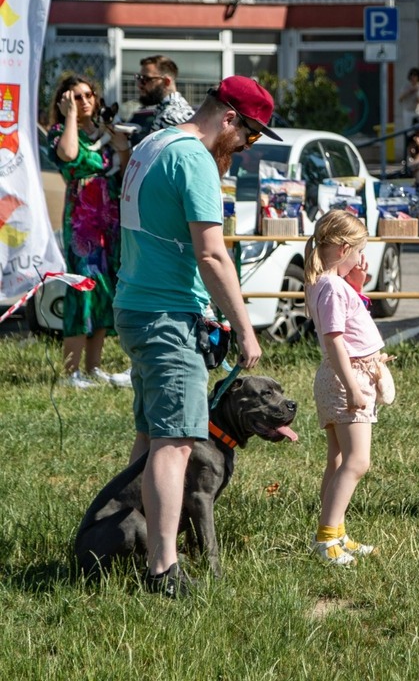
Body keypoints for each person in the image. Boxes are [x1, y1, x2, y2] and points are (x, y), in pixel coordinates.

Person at [114, 76, 275, 597]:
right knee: (177, 442)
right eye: (249, 135)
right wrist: (246, 329)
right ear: (229, 118)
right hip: (166, 313)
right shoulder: (196, 160)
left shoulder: (153, 143)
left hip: (137, 304)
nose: (247, 148)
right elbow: (210, 253)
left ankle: (126, 541)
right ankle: (163, 569)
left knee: (151, 435)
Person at [304, 209, 394, 567]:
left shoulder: (329, 284)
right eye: (359, 252)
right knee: (357, 461)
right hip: (347, 380)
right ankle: (326, 538)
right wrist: (353, 388)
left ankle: (336, 532)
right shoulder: (329, 286)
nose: (362, 260)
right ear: (343, 249)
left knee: (339, 459)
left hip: (348, 377)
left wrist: (354, 283)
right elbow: (335, 340)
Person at [49, 74, 132, 389]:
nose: (84, 102)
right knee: (82, 289)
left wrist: (122, 149)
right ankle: (71, 372)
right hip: (82, 223)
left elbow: (123, 173)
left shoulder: (104, 132)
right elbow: (69, 156)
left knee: (105, 292)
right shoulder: (60, 132)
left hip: (109, 221)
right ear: (65, 101)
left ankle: (93, 367)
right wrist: (69, 116)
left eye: (87, 96)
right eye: (76, 97)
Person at [131, 55, 194, 145]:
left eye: (146, 79)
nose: (140, 85)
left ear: (166, 82)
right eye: (139, 78)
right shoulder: (167, 110)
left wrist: (124, 150)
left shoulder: (171, 116)